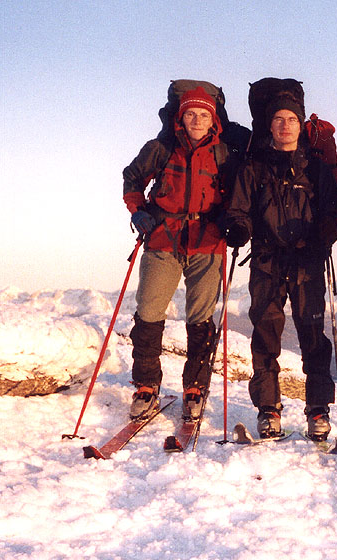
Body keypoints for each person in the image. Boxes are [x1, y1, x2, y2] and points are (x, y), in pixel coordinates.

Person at [221, 90, 337, 440]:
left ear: (301, 125)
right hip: (266, 260)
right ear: (269, 126)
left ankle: (318, 408)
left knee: (313, 335)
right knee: (265, 333)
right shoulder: (253, 168)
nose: (285, 126)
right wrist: (239, 228)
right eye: (278, 119)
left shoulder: (317, 168)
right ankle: (268, 408)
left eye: (291, 119)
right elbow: (239, 210)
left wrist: (327, 229)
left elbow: (333, 209)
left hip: (307, 261)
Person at [122, 85, 230, 421]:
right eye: (191, 114)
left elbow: (237, 195)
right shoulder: (161, 148)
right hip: (162, 239)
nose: (197, 120)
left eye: (203, 115)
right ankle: (146, 385)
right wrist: (138, 211)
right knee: (149, 312)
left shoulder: (224, 154)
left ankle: (195, 388)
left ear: (213, 120)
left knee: (201, 320)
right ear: (180, 117)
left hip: (207, 242)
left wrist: (233, 221)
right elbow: (132, 178)